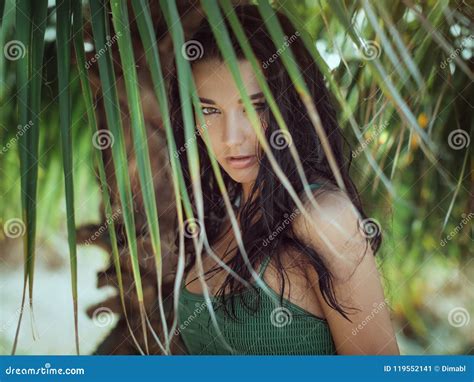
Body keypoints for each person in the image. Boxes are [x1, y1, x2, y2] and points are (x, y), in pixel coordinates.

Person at [169, 4, 399, 355]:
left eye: (255, 106)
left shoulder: (324, 217)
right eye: (209, 110)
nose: (231, 137)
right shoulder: (219, 217)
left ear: (290, 105)